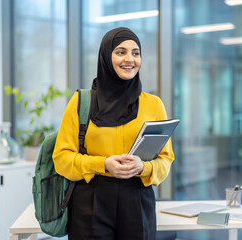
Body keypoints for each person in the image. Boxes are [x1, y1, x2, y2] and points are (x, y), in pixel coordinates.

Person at [53, 27, 175, 240]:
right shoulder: (81, 102)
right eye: (121, 52)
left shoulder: (153, 105)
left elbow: (166, 160)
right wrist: (103, 164)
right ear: (106, 57)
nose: (130, 59)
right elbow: (61, 159)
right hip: (90, 201)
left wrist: (143, 166)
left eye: (136, 53)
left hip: (137, 199)